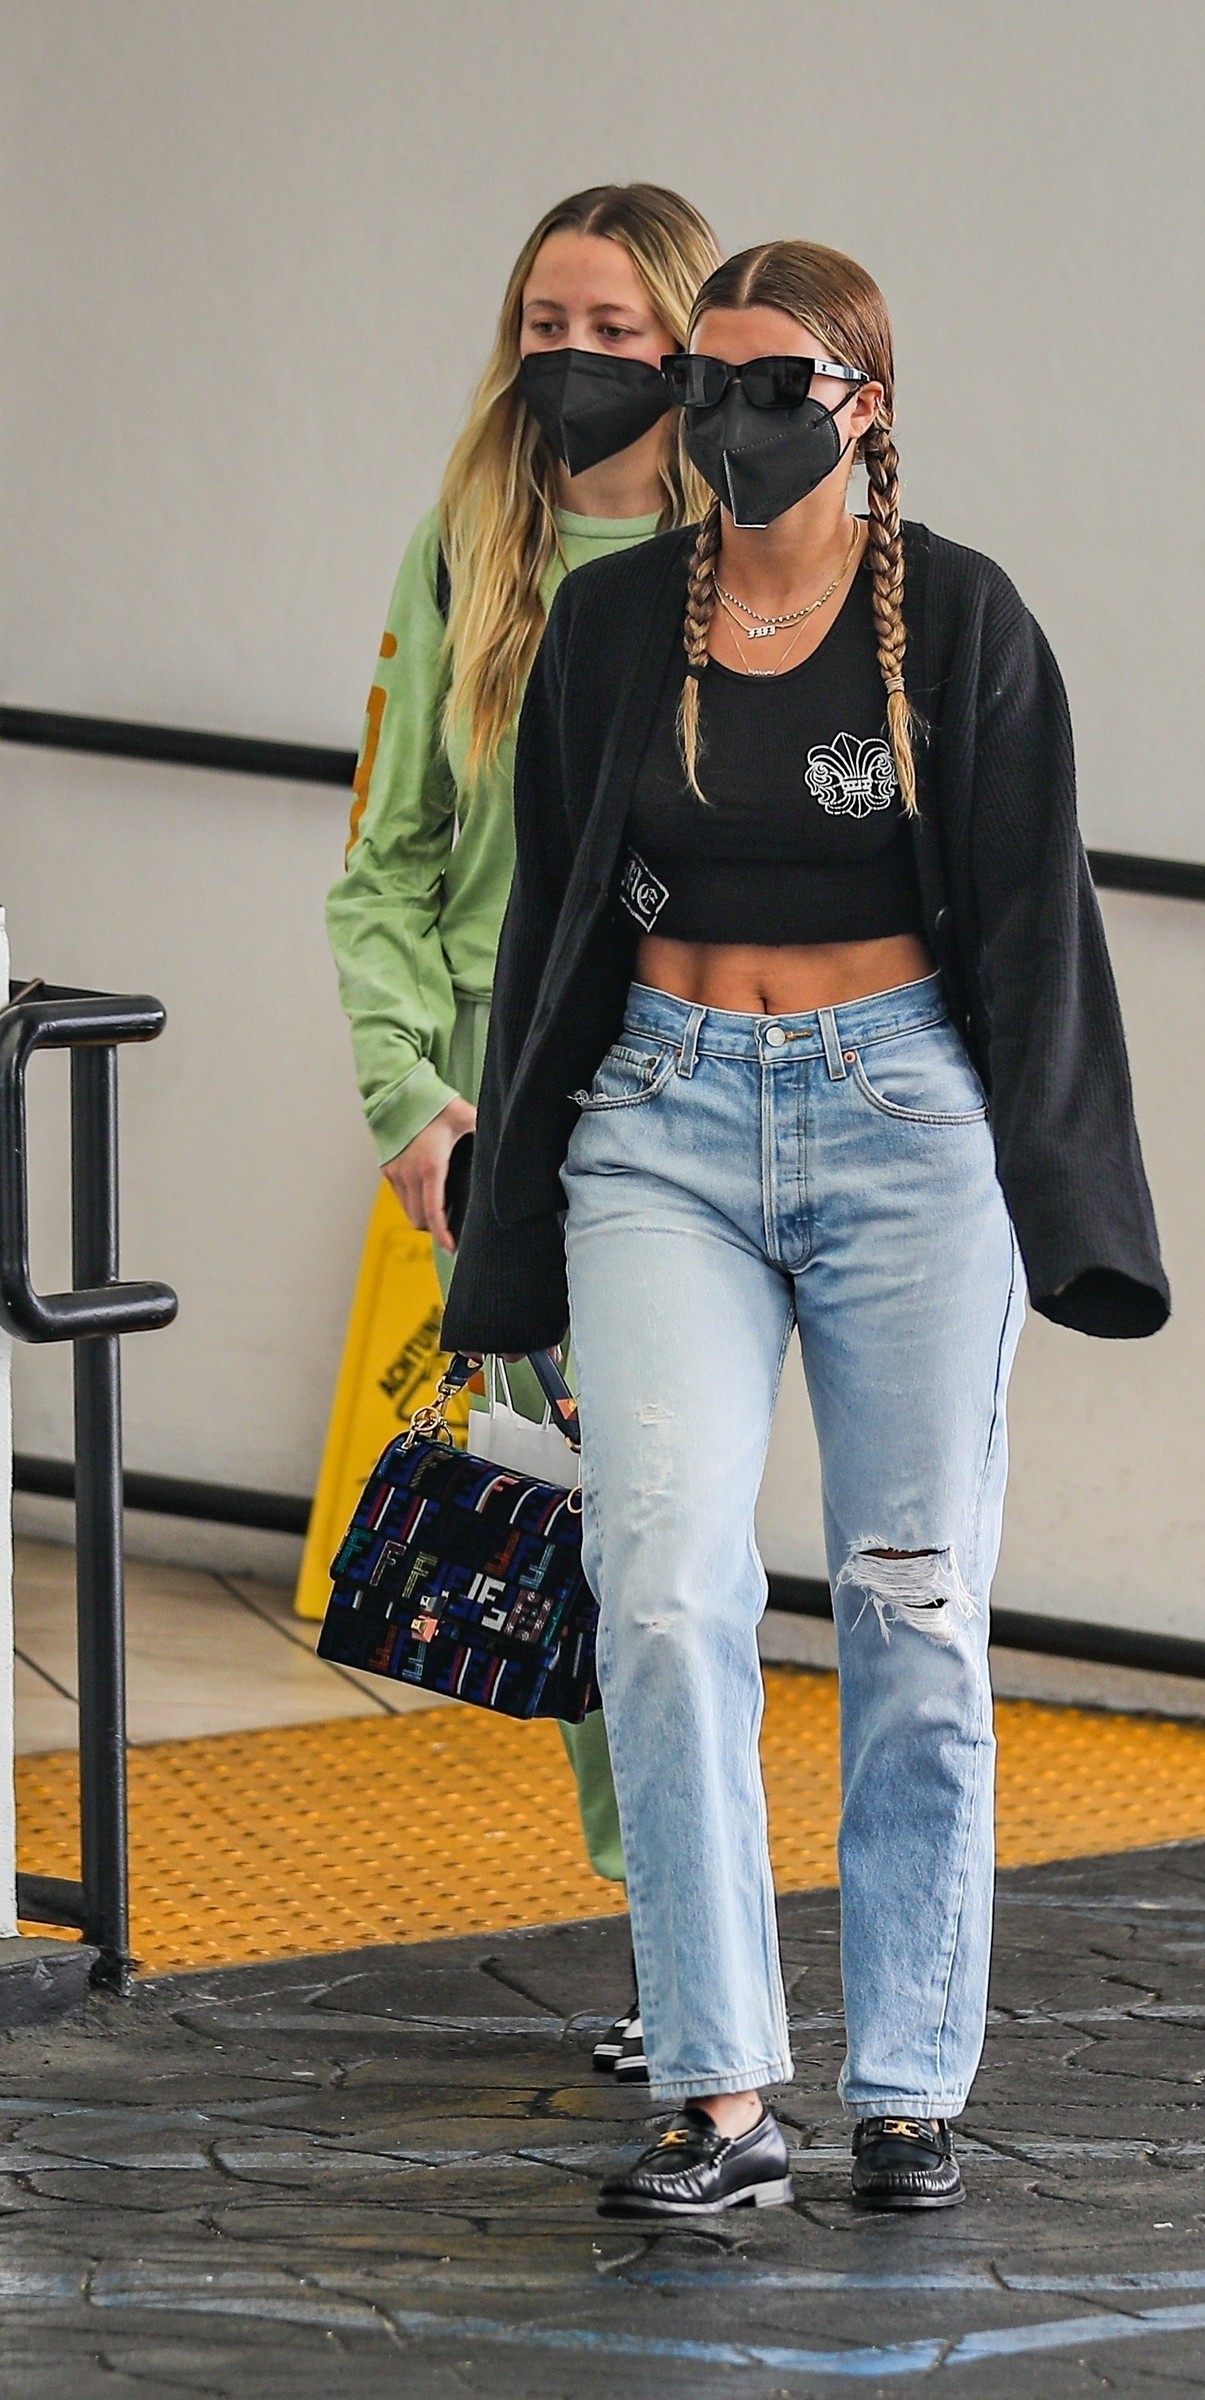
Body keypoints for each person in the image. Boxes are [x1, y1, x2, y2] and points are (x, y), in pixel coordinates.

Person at [442, 240, 1168, 2218]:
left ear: (867, 404)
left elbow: (1033, 925)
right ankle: (723, 2098)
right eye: (708, 383)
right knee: (663, 1590)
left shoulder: (964, 621)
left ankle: (912, 2082)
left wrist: (1068, 1204)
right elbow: (550, 932)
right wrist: (509, 1208)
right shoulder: (612, 626)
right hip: (660, 1129)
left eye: (780, 386)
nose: (735, 421)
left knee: (909, 1603)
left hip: (899, 1126)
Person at [326, 183, 721, 2083]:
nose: (570, 362)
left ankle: (703, 1951)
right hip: (518, 1121)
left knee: (676, 1546)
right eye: (542, 328)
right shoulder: (467, 548)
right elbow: (385, 861)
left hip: (710, 1092)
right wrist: (411, 1092)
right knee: (608, 1542)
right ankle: (677, 1946)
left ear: (685, 348)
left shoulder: (752, 553)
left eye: (611, 332)